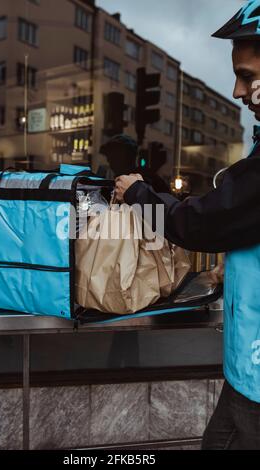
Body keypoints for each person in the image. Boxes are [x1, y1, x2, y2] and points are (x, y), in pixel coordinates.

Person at [114, 0, 260, 450]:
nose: (238, 91)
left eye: (249, 75)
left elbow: (198, 223)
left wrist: (138, 194)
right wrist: (233, 266)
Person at [99, 134, 171, 193]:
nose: (109, 161)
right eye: (109, 156)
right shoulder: (112, 184)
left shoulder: (148, 181)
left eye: (114, 156)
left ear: (129, 156)